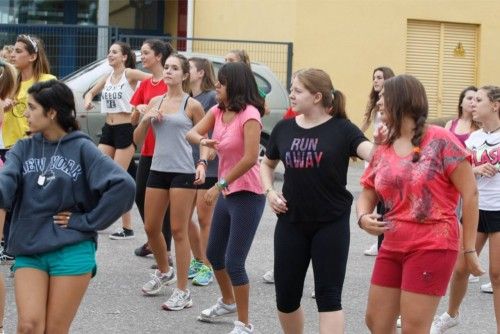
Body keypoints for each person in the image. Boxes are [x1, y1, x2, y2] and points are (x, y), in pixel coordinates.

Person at [0, 80, 135, 333]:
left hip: (71, 250)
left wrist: (86, 221)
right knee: (28, 326)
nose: (25, 114)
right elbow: (5, 182)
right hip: (29, 247)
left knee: (55, 329)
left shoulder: (81, 147)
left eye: (31, 107)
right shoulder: (23, 148)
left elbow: (123, 186)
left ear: (51, 113)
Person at [357, 74, 484, 334]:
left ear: (401, 100)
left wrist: (469, 249)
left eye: (383, 98)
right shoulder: (384, 143)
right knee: (376, 321)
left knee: (414, 327)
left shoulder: (440, 140)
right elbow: (368, 188)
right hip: (392, 242)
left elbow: (470, 194)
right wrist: (362, 216)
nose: (379, 103)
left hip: (433, 243)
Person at [260, 68, 377, 334]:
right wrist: (270, 192)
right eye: (292, 88)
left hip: (330, 224)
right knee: (286, 298)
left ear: (317, 97)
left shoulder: (342, 129)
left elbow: (373, 155)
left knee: (329, 297)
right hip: (291, 222)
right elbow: (266, 165)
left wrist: (394, 146)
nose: (291, 94)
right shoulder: (284, 128)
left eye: (297, 90)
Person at [186, 61, 266, 334]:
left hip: (248, 194)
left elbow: (250, 158)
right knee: (214, 254)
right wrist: (203, 143)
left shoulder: (251, 115)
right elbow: (192, 132)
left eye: (221, 83)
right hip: (228, 191)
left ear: (235, 86)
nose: (216, 87)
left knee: (234, 261)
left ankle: (245, 324)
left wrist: (218, 185)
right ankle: (228, 301)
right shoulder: (218, 111)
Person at [134, 53, 206, 311]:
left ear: (185, 75)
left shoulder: (192, 105)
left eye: (175, 68)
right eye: (166, 67)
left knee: (178, 229)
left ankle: (183, 291)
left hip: (183, 172)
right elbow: (138, 139)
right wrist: (146, 117)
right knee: (151, 228)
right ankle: (165, 271)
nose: (168, 71)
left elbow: (205, 138)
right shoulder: (155, 100)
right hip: (158, 169)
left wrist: (203, 163)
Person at [431, 85, 500, 334]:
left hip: (499, 210)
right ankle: (451, 315)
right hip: (476, 209)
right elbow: (458, 171)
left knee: (496, 274)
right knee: (460, 268)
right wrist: (476, 170)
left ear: (495, 105)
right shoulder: (474, 139)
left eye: (479, 99)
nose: (473, 103)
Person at [84, 41, 150, 240]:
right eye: (109, 52)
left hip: (125, 129)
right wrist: (88, 100)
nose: (110, 55)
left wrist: (141, 105)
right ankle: (99, 217)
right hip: (108, 129)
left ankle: (127, 228)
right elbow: (90, 92)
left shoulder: (129, 74)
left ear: (124, 56)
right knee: (99, 172)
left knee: (117, 179)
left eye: (114, 52)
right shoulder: (107, 77)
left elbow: (154, 81)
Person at [129, 39, 174, 264]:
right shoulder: (145, 84)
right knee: (139, 196)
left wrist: (156, 110)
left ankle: (164, 250)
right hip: (147, 149)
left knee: (163, 202)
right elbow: (132, 117)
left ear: (158, 56)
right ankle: (154, 239)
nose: (141, 57)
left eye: (145, 53)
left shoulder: (169, 84)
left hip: (165, 150)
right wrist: (138, 110)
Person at [186, 57, 218, 286]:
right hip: (184, 163)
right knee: (183, 217)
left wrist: (206, 157)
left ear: (200, 73)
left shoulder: (212, 98)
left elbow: (214, 133)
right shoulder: (186, 98)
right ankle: (197, 260)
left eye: (188, 68)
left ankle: (208, 265)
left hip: (208, 165)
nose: (185, 71)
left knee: (204, 217)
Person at [361, 66, 395, 257]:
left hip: (385, 155)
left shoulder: (392, 110)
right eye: (374, 77)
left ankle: (382, 238)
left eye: (379, 77)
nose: (375, 81)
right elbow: (365, 123)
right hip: (375, 152)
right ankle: (379, 237)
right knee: (374, 197)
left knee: (385, 200)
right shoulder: (375, 105)